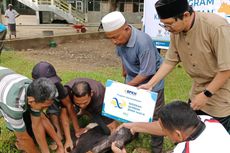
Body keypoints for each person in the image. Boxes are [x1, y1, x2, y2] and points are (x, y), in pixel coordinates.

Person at [139, 0, 230, 134]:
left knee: (216, 136)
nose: (167, 29)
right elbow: (171, 60)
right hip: (197, 92)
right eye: (164, 25)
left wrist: (206, 95)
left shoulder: (216, 27)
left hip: (221, 93)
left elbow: (226, 69)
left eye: (169, 24)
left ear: (186, 15)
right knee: (192, 133)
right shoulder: (176, 31)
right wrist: (151, 84)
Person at [101, 11, 165, 153]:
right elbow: (122, 55)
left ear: (127, 29)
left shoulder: (143, 42)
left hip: (151, 85)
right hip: (132, 81)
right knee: (131, 113)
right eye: (110, 38)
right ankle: (133, 135)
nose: (114, 41)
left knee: (155, 117)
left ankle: (157, 149)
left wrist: (123, 87)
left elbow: (147, 72)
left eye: (115, 37)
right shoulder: (120, 39)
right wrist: (125, 71)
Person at [112, 101, 230, 153]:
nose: (163, 131)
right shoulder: (208, 121)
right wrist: (133, 126)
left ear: (178, 134)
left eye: (164, 130)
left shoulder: (184, 150)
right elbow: (164, 128)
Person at [0, 66, 64, 153]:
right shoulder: (13, 104)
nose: (45, 109)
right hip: (5, 93)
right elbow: (23, 138)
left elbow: (38, 124)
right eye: (44, 106)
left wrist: (59, 146)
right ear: (31, 101)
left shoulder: (35, 89)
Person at [32, 61, 80, 152]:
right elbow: (39, 118)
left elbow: (68, 105)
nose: (51, 84)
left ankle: (59, 133)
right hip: (31, 112)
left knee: (53, 102)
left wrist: (76, 130)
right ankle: (57, 132)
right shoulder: (31, 92)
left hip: (54, 105)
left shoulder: (57, 86)